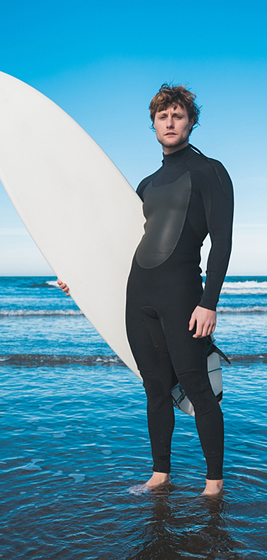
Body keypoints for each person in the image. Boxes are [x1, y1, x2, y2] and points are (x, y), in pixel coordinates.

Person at [58, 83, 234, 496]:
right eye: (162, 116)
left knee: (196, 386)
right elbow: (123, 247)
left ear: (191, 121)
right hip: (140, 297)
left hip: (183, 295)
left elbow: (222, 243)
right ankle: (160, 474)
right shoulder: (146, 184)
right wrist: (81, 282)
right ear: (153, 124)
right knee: (154, 388)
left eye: (177, 115)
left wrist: (209, 303)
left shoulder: (209, 171)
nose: (169, 122)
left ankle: (213, 483)